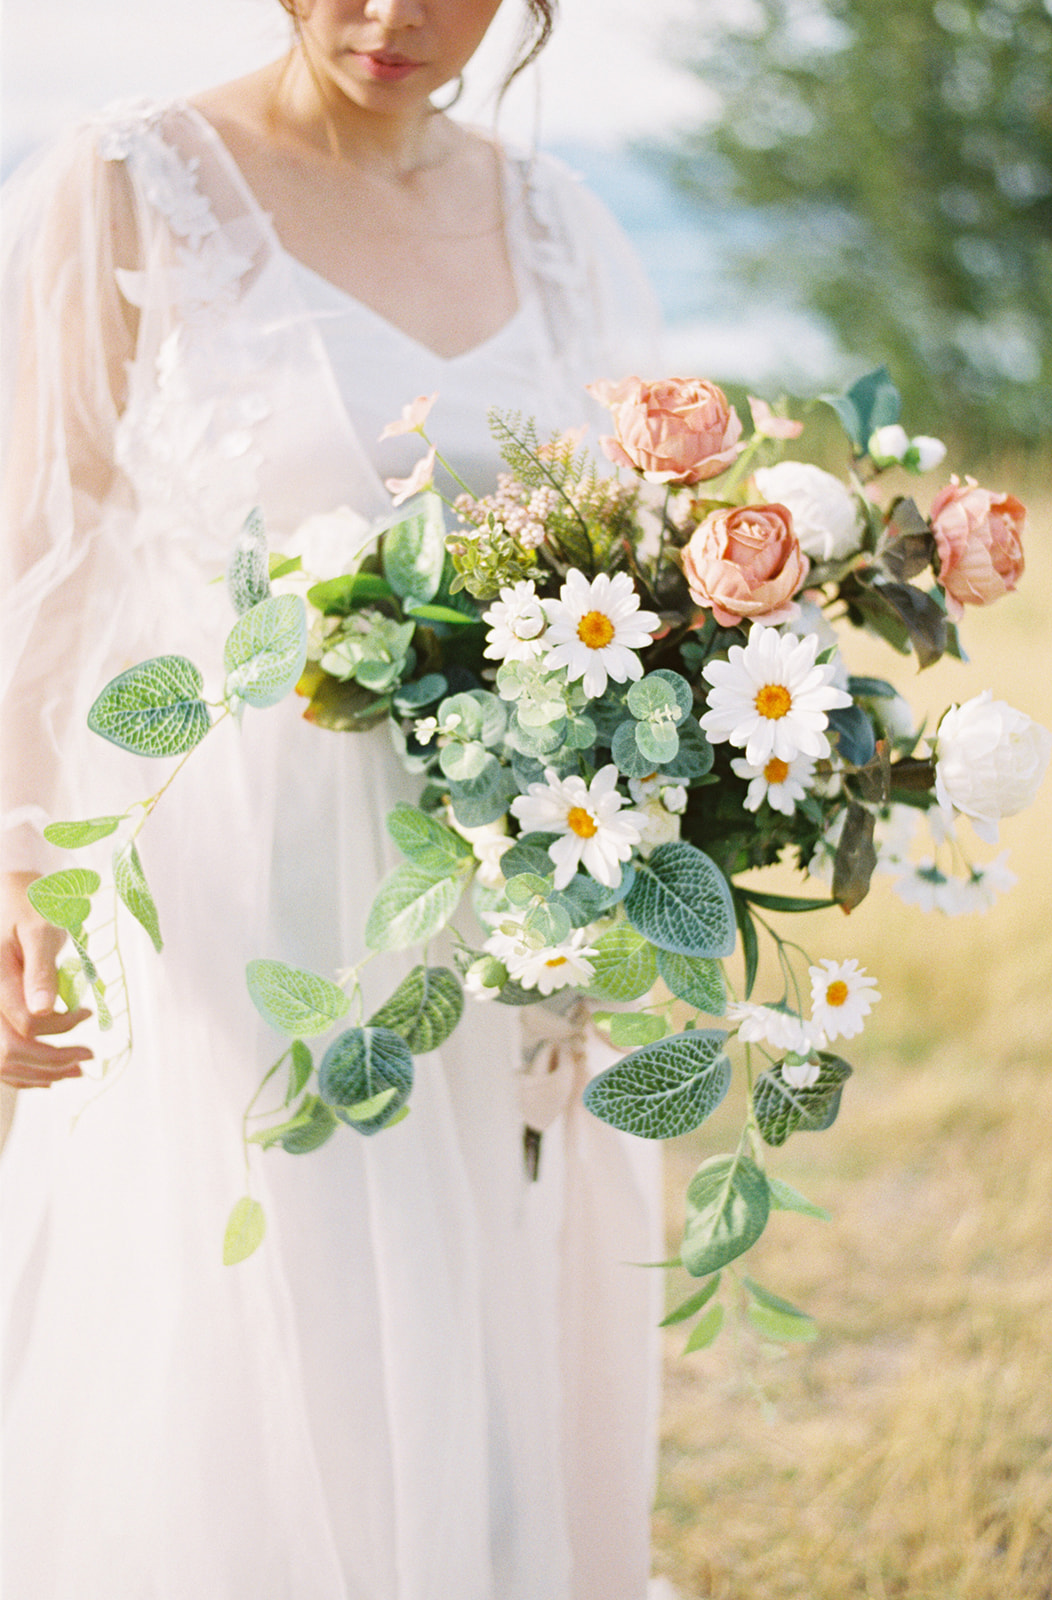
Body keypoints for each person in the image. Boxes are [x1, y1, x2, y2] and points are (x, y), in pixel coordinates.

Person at [0, 3, 667, 1595]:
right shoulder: (125, 184)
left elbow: (631, 577)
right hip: (239, 901)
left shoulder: (558, 224)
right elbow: (31, 566)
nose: (394, 14)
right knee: (269, 1334)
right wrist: (18, 876)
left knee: (485, 1332)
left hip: (499, 909)